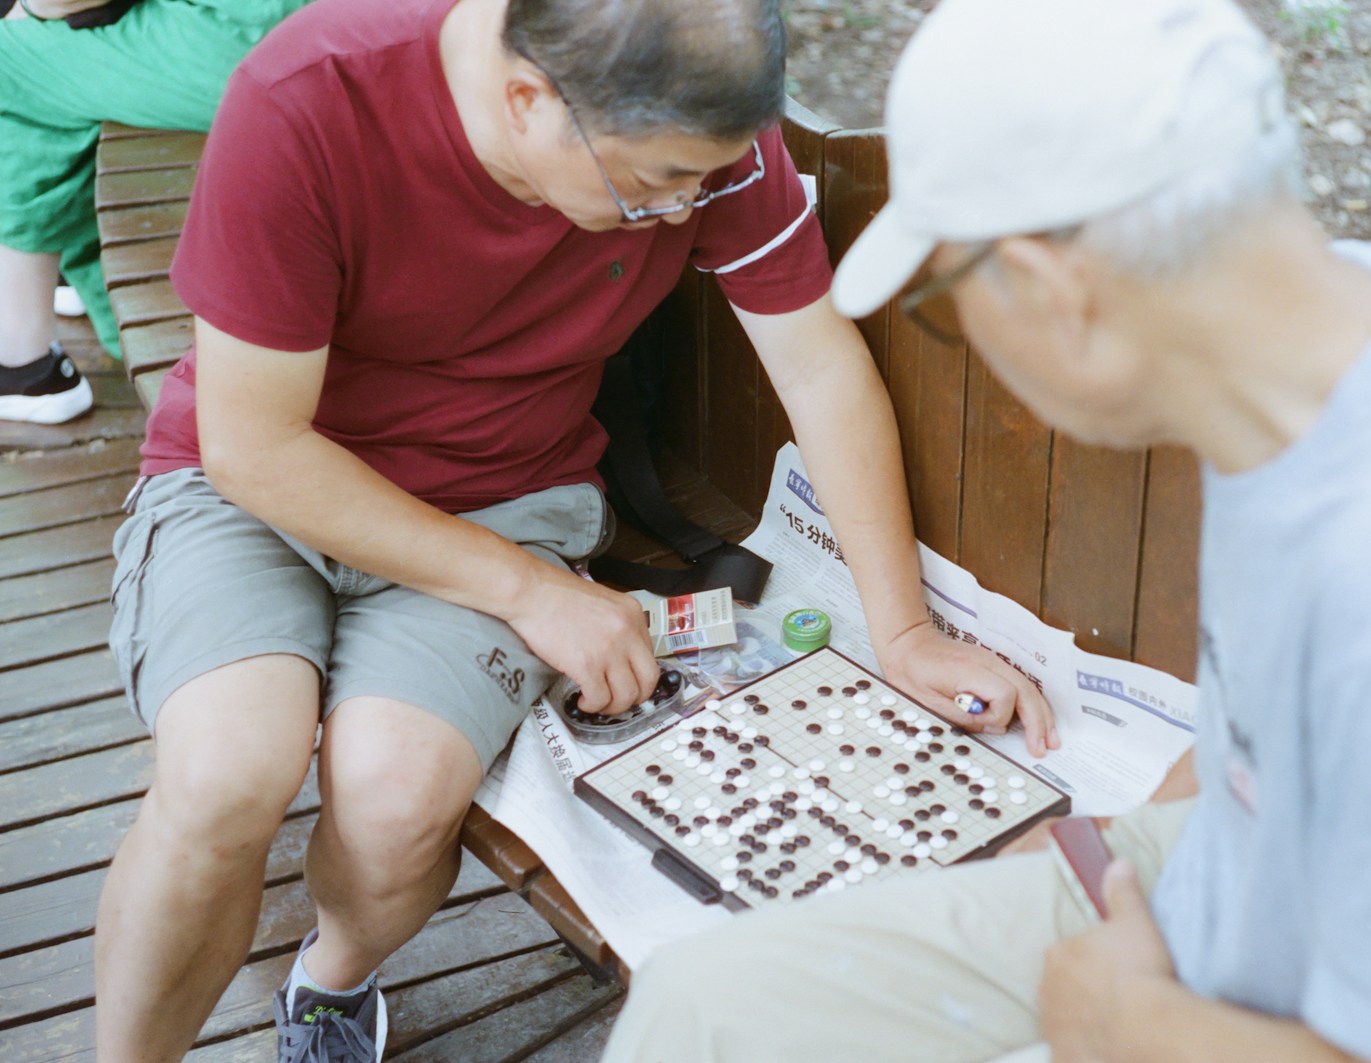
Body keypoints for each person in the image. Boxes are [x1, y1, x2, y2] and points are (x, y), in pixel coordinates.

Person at [600, 0, 1371, 1060]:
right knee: (701, 1009)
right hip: (1229, 868)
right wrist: (1102, 849)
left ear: (1046, 286)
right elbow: (1262, 717)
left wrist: (1133, 1030)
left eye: (944, 301)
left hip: (1279, 1014)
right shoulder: (1350, 327)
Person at [95, 0, 1057, 1059]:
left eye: (703, 178)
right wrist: (531, 592)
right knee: (227, 771)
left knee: (397, 798)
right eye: (653, 186)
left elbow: (820, 369)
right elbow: (255, 448)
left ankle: (330, 980)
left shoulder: (700, 128)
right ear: (528, 103)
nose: (689, 202)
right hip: (259, 490)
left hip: (503, 492)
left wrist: (906, 630)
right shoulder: (307, 96)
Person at [0, 0, 309, 424]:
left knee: (8, 55)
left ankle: (25, 362)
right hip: (335, 25)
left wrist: (29, 7)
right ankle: (87, 289)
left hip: (258, 39)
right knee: (56, 54)